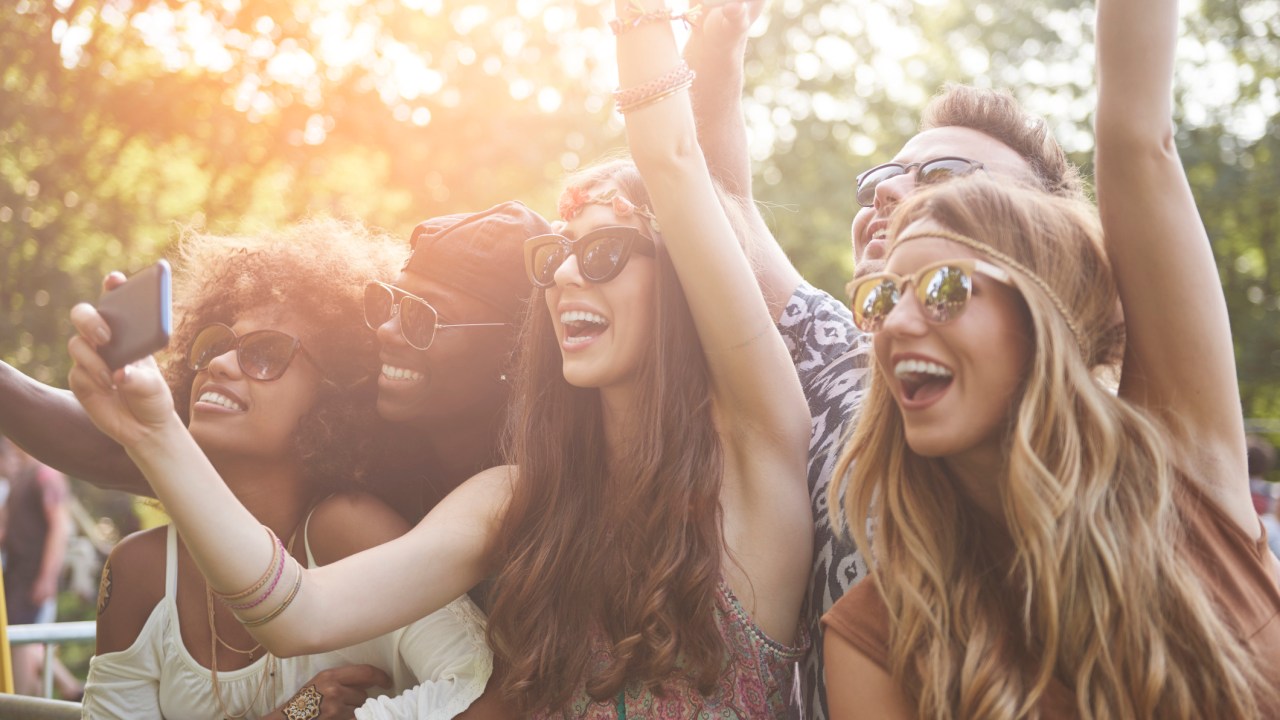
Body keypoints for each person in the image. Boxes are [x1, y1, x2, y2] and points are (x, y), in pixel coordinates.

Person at [65, 3, 813, 715]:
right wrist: (153, 433)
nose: (563, 276)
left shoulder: (752, 455)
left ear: (685, 279)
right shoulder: (522, 496)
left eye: (606, 252)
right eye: (553, 255)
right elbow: (297, 612)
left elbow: (674, 159)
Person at [821, 0, 1280, 712]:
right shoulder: (877, 633)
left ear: (1044, 308)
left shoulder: (1181, 466)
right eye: (882, 301)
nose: (897, 324)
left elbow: (1136, 137)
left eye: (945, 289)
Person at [682, 7, 1089, 714]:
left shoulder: (1095, 417)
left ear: (1040, 227)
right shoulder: (837, 354)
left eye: (943, 174)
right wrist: (719, 48)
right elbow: (726, 202)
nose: (888, 195)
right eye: (878, 182)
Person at [78, 220, 492, 719]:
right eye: (215, 345)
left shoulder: (346, 531)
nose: (221, 365)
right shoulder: (139, 571)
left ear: (334, 394)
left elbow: (483, 689)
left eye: (266, 353)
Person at [0, 437, 83, 700]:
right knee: (21, 644)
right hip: (15, 576)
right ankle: (66, 692)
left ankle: (21, 709)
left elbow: (60, 526)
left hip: (33, 578)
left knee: (24, 644)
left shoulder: (46, 474)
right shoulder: (19, 478)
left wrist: (47, 578)